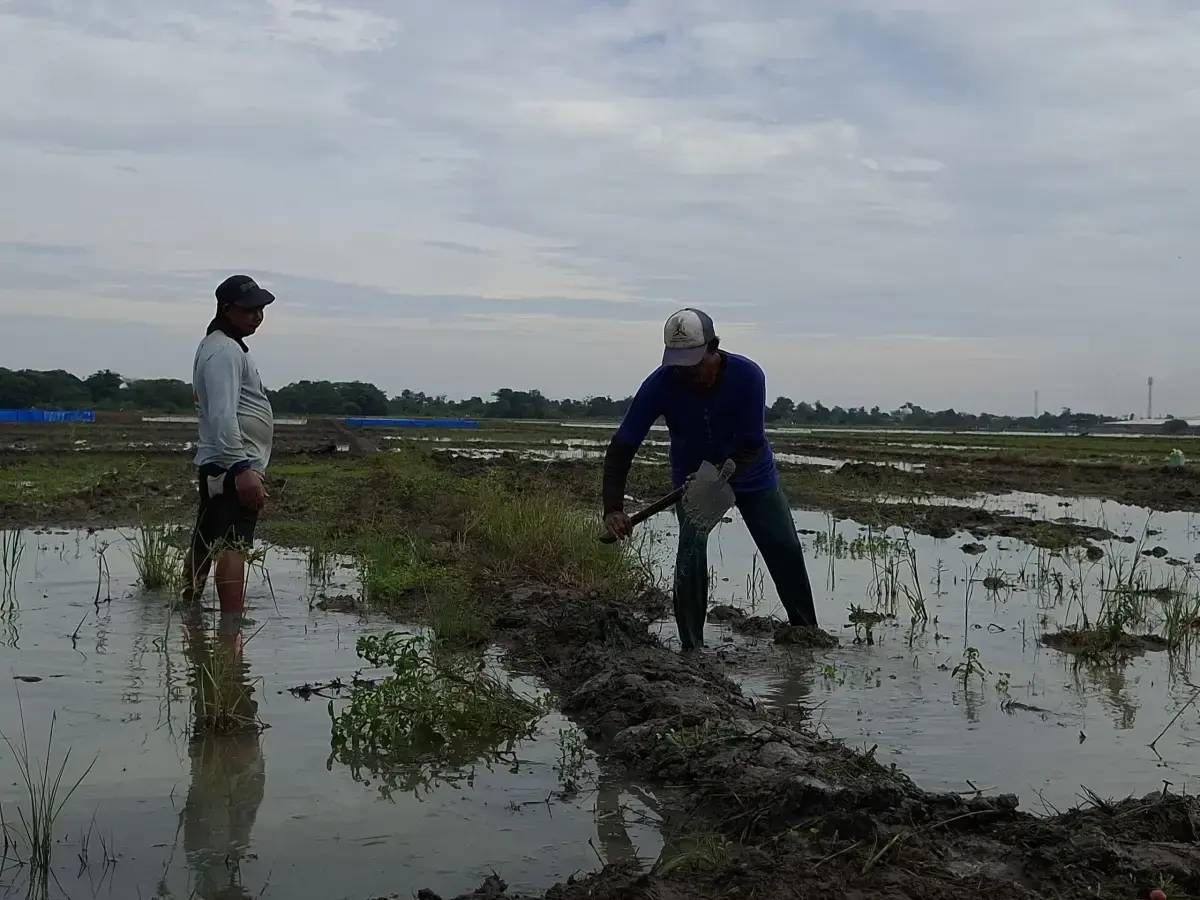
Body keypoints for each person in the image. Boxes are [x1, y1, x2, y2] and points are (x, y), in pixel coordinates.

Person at [602, 308, 818, 651]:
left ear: (713, 348)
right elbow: (623, 447)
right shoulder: (660, 384)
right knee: (690, 549)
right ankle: (692, 648)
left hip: (750, 472)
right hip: (693, 479)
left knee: (785, 548)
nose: (687, 374)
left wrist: (719, 473)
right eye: (679, 366)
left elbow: (751, 445)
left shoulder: (747, 376)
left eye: (694, 364)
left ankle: (807, 634)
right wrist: (613, 507)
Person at [182, 275, 276, 614]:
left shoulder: (221, 346)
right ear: (225, 309)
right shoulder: (224, 351)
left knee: (206, 538)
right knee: (233, 545)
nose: (256, 316)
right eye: (248, 309)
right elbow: (223, 415)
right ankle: (231, 625)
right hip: (232, 463)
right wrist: (242, 469)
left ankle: (190, 609)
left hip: (219, 462)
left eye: (260, 309)